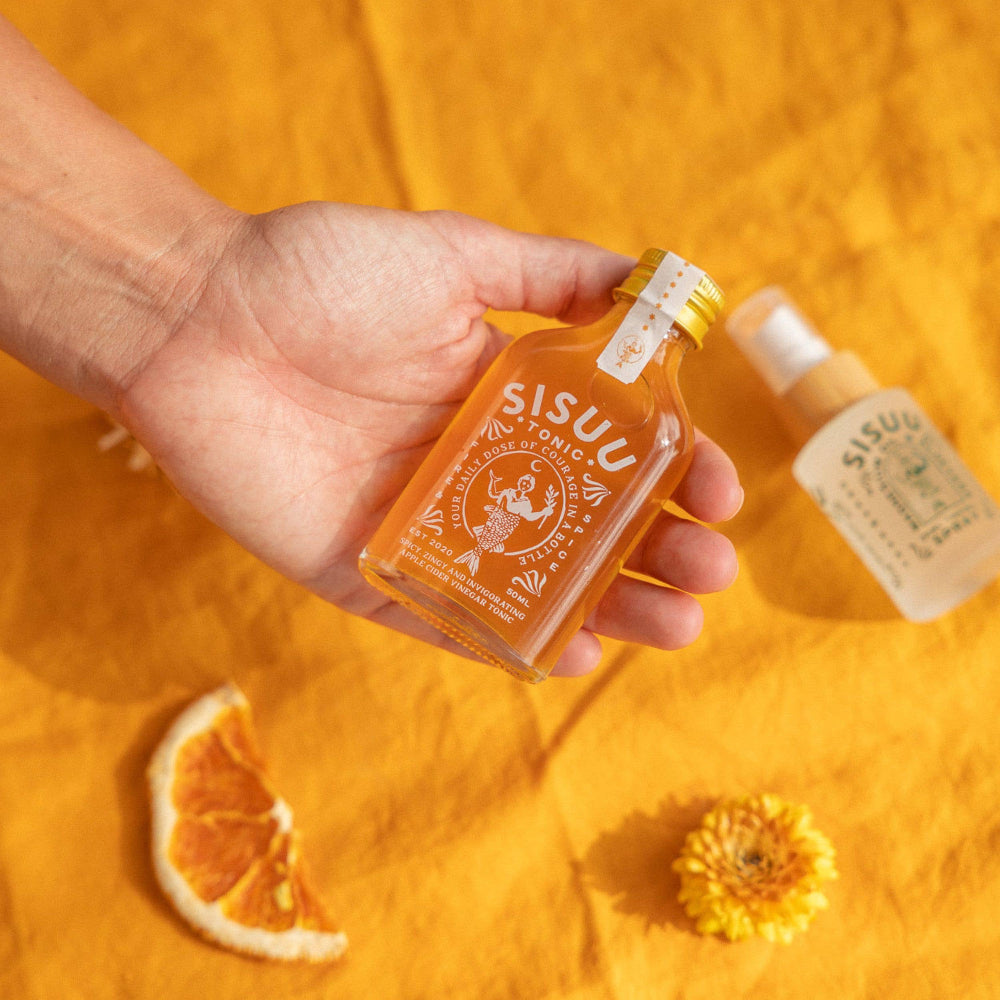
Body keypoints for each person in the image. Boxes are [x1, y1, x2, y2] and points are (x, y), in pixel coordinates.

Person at [0, 14, 742, 677]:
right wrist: (198, 305)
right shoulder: (558, 366)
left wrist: (188, 310)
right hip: (415, 557)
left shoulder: (650, 421)